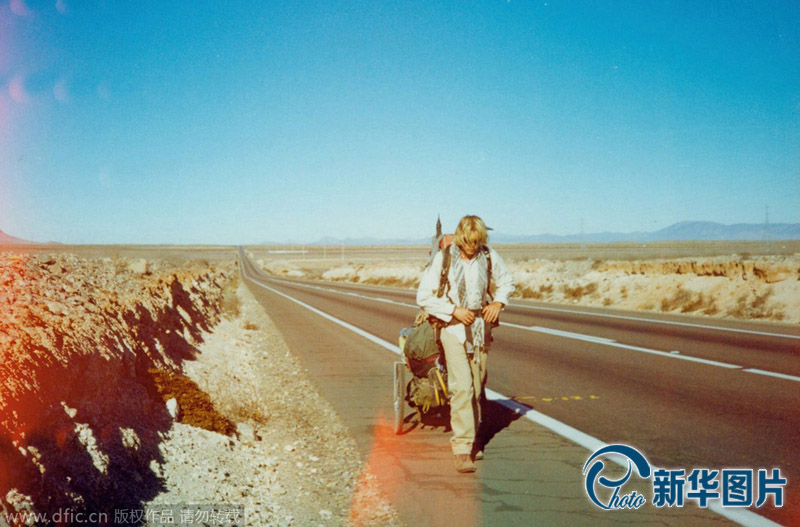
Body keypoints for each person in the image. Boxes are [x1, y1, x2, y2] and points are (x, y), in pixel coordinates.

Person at [416, 215, 515, 473]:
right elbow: (423, 296)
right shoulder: (444, 258)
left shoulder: (489, 256)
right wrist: (453, 311)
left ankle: (474, 438)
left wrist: (498, 303)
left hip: (480, 329)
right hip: (453, 329)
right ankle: (462, 448)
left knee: (476, 386)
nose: (472, 246)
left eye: (477, 241)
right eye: (468, 241)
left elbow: (507, 281)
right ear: (460, 238)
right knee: (461, 387)